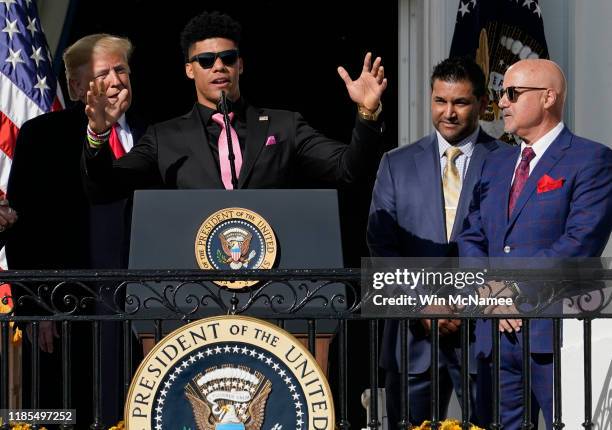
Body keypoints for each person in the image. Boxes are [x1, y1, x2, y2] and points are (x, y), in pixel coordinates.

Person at [457, 59, 612, 429]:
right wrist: (493, 293)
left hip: (555, 335)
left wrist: (513, 290)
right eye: (501, 94)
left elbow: (579, 243)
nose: (502, 103)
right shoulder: (494, 164)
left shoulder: (591, 159)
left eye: (511, 93)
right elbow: (470, 235)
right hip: (496, 336)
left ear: (548, 97)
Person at [82, 10, 386, 195]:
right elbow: (106, 187)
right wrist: (97, 136)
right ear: (189, 69)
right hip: (192, 291)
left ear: (240, 65)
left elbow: (349, 170)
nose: (218, 66)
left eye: (227, 58)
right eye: (205, 60)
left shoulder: (285, 126)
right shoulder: (164, 137)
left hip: (274, 287)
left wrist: (367, 113)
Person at [5, 33, 144, 428]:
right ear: (77, 86)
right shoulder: (42, 136)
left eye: (122, 70)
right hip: (68, 309)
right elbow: (24, 226)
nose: (117, 80)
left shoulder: (156, 134)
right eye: (104, 73)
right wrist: (35, 306)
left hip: (142, 305)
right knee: (66, 412)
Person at [367, 57, 506, 427]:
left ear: (481, 103)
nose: (449, 112)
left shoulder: (507, 162)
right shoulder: (395, 163)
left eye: (460, 102)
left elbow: (509, 243)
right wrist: (423, 304)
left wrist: (465, 302)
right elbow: (381, 246)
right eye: (440, 101)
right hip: (412, 336)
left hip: (482, 332)